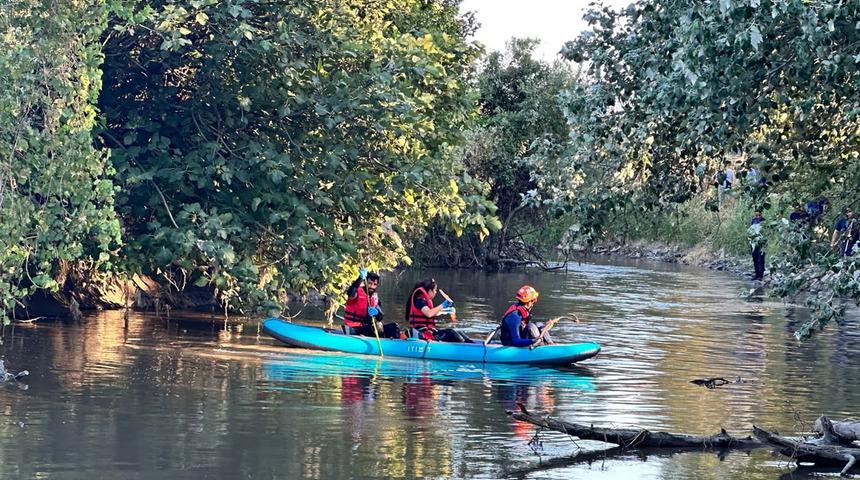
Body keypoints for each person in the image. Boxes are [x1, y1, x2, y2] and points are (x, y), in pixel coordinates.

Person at [342, 268, 384, 337]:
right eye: (370, 283)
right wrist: (360, 278)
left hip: (366, 327)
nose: (372, 286)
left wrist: (377, 313)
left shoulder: (375, 297)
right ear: (365, 282)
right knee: (370, 329)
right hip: (352, 327)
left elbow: (380, 317)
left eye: (374, 284)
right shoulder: (357, 293)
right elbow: (350, 293)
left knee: (393, 327)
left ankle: (388, 341)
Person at [749, 211, 766, 280]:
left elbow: (766, 232)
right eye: (756, 215)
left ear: (762, 214)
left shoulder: (764, 221)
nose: (758, 217)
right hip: (753, 242)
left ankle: (761, 275)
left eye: (759, 215)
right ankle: (756, 274)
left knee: (761, 259)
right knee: (755, 258)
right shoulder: (753, 221)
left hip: (761, 242)